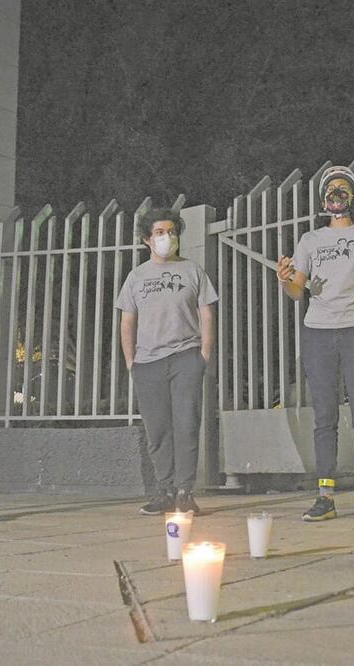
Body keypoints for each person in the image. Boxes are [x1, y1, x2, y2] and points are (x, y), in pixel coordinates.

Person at [276, 165, 354, 521]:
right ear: (323, 199)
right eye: (331, 188)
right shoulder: (310, 240)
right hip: (318, 331)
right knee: (324, 415)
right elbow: (298, 291)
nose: (337, 192)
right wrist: (285, 279)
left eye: (343, 187)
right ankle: (325, 495)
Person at [117, 208, 216, 515]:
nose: (167, 237)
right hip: (148, 362)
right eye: (160, 232)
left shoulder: (192, 270)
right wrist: (131, 361)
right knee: (157, 429)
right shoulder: (136, 277)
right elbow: (127, 321)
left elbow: (206, 314)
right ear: (147, 239)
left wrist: (204, 355)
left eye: (171, 232)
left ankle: (185, 491)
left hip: (186, 356)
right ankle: (164, 490)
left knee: (186, 424)